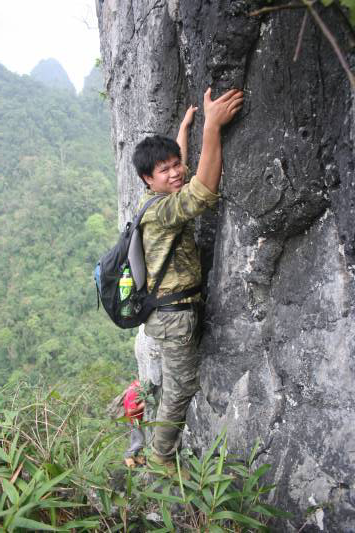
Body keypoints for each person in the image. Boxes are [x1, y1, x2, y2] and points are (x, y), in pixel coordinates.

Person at [132, 87, 244, 473]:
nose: (176, 171)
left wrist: (184, 130)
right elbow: (200, 194)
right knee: (181, 389)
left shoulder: (149, 198)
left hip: (166, 315)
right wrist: (211, 127)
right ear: (148, 179)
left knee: (167, 382)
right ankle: (160, 458)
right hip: (173, 317)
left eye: (176, 163)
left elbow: (179, 176)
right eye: (164, 169)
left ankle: (146, 426)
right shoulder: (160, 212)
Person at [123, 379, 146, 467]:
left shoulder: (134, 386)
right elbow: (130, 410)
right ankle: (128, 455)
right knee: (141, 441)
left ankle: (135, 457)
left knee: (135, 440)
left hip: (130, 419)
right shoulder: (134, 393)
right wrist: (143, 405)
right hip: (133, 420)